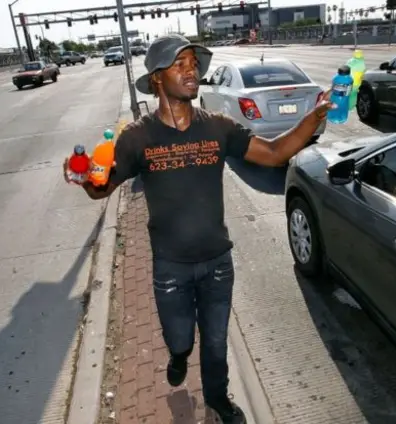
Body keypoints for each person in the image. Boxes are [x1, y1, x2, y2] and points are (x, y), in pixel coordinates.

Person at [63, 34, 333, 424]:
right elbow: (101, 188)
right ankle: (177, 356)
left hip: (218, 263)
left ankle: (218, 398)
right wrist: (83, 175)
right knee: (180, 340)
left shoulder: (219, 128)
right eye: (180, 64)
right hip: (170, 268)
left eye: (194, 63)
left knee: (217, 343)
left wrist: (312, 120)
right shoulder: (137, 137)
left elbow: (274, 153)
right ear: (157, 78)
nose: (192, 70)